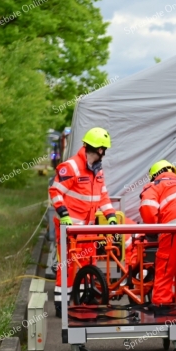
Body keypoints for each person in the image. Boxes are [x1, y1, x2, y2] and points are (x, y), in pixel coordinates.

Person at [48, 127, 118, 317]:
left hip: (88, 227)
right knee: (68, 266)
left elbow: (102, 196)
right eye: (99, 149)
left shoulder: (97, 170)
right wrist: (64, 214)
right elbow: (55, 191)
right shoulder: (71, 167)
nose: (102, 153)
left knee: (88, 261)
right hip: (68, 227)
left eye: (104, 149)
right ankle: (61, 304)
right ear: (88, 147)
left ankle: (83, 299)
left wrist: (111, 215)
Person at [139, 160, 176, 307]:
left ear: (154, 175)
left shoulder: (156, 185)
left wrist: (153, 231)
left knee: (165, 267)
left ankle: (161, 307)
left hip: (174, 230)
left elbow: (148, 209)